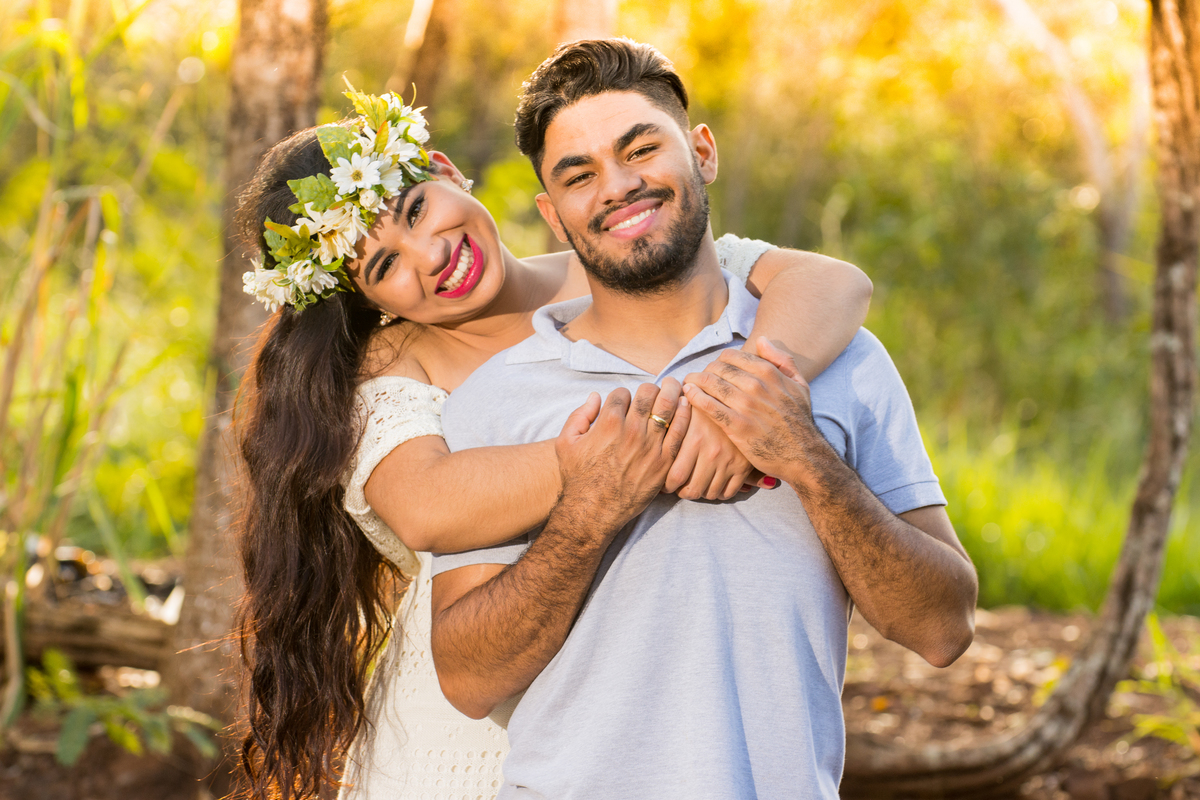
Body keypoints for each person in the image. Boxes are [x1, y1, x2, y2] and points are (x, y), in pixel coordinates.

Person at [232, 84, 873, 798]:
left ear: (444, 169)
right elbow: (426, 504)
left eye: (415, 210)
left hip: (641, 718)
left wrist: (735, 412)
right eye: (382, 266)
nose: (430, 255)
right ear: (368, 301)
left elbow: (831, 283)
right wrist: (624, 457)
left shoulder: (614, 262)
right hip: (463, 743)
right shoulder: (392, 364)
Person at [428, 38, 979, 798]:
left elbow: (944, 627)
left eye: (640, 149)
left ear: (702, 152)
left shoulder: (841, 360)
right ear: (554, 218)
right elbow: (466, 678)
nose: (618, 187)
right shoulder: (497, 398)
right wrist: (588, 513)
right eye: (579, 175)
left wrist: (804, 457)